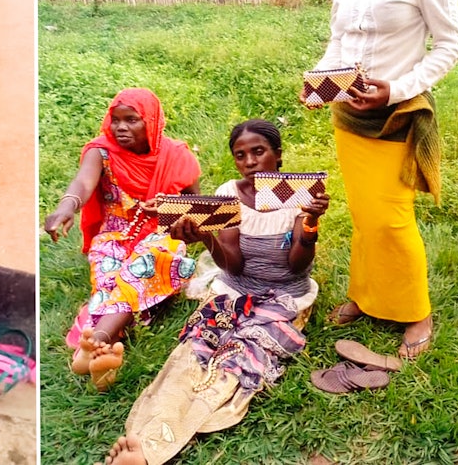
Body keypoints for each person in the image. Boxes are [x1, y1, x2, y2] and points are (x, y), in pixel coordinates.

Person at [96, 119, 330, 465]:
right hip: (235, 289)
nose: (250, 161)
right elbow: (233, 266)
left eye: (259, 152)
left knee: (238, 361)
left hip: (284, 297)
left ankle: (153, 451)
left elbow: (296, 266)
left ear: (277, 155)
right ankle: (144, 436)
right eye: (240, 155)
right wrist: (206, 236)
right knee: (195, 350)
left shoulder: (298, 197)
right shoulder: (229, 195)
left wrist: (309, 226)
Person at [302, 0, 458, 359]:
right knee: (363, 215)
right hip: (349, 116)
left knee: (391, 221)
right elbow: (340, 40)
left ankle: (417, 311)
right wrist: (322, 82)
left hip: (396, 116)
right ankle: (366, 294)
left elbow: (450, 45)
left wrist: (396, 88)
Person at [44, 88, 201, 391]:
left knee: (139, 269)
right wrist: (66, 208)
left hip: (160, 235)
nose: (121, 128)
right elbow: (83, 181)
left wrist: (167, 208)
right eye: (116, 120)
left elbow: (198, 206)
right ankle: (104, 346)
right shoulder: (101, 151)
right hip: (115, 235)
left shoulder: (176, 156)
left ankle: (96, 342)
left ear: (152, 122)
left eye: (132, 120)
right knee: (108, 279)